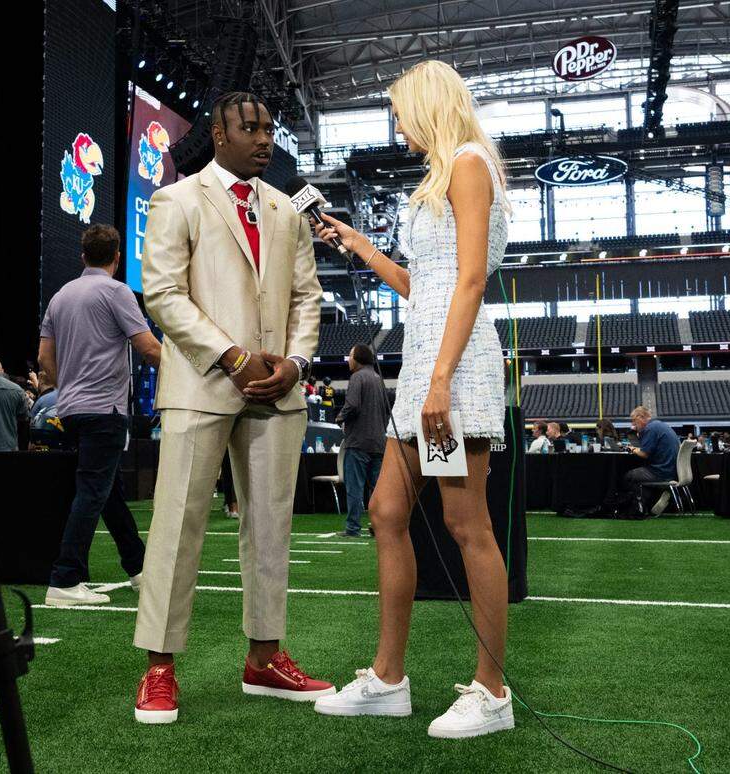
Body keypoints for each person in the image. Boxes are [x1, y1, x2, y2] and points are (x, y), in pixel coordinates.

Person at [310, 60, 514, 738]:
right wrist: (359, 244)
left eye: (399, 110)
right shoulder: (441, 174)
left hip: (451, 373)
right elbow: (423, 286)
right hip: (428, 366)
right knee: (385, 509)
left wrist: (438, 382)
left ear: (427, 104)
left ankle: (492, 692)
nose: (396, 123)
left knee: (466, 525)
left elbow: (472, 280)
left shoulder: (467, 163)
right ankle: (389, 679)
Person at [132, 91, 331, 725]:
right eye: (252, 128)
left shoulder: (285, 209)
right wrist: (232, 357)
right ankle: (160, 667)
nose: (265, 138)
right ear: (219, 134)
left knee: (271, 529)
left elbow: (307, 299)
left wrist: (294, 364)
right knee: (177, 527)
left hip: (279, 390)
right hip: (203, 385)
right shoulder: (177, 199)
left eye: (270, 128)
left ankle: (264, 658)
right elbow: (162, 295)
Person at [38, 224, 161, 607]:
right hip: (104, 409)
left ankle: (138, 567)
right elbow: (149, 348)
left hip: (71, 409)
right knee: (93, 491)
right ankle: (65, 578)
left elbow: (44, 359)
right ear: (117, 257)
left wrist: (69, 387)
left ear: (82, 255)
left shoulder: (61, 296)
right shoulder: (116, 291)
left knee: (107, 492)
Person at [335, 343, 388, 537]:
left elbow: (352, 405)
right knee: (378, 489)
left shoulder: (357, 377)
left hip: (357, 442)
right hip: (379, 443)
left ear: (358, 358)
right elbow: (385, 412)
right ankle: (378, 527)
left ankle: (353, 528)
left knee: (355, 487)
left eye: (350, 355)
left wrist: (340, 417)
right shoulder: (378, 379)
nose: (348, 359)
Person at [622, 406, 679, 516]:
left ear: (641, 417)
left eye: (634, 420)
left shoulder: (650, 429)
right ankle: (649, 505)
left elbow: (644, 454)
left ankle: (638, 507)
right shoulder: (659, 425)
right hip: (671, 470)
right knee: (640, 475)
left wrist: (633, 449)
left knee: (629, 475)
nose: (633, 425)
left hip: (661, 472)